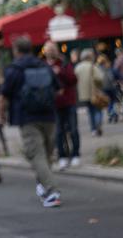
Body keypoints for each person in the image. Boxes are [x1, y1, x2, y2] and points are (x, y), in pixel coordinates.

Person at [0, 36, 61, 208]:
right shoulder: (44, 66)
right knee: (46, 155)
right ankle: (43, 185)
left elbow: (3, 96)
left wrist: (1, 115)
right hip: (49, 115)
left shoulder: (14, 69)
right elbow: (58, 89)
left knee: (36, 155)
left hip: (27, 118)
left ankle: (51, 191)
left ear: (16, 50)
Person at [43, 41, 80, 170]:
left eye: (53, 49)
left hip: (69, 101)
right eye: (49, 50)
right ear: (45, 52)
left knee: (73, 129)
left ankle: (76, 154)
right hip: (54, 104)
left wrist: (60, 72)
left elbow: (74, 79)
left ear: (57, 50)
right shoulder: (43, 66)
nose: (51, 52)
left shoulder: (64, 63)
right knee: (58, 132)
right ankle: (62, 156)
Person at [74, 49, 105, 136]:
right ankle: (98, 124)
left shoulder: (77, 67)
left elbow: (74, 80)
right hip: (94, 93)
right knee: (97, 110)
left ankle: (93, 129)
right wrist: (99, 86)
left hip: (84, 94)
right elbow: (100, 78)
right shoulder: (92, 66)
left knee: (90, 112)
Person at [97, 54, 119, 123]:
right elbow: (113, 75)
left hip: (103, 88)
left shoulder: (97, 68)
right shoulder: (108, 67)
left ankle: (111, 114)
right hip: (111, 87)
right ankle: (113, 113)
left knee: (107, 102)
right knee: (112, 101)